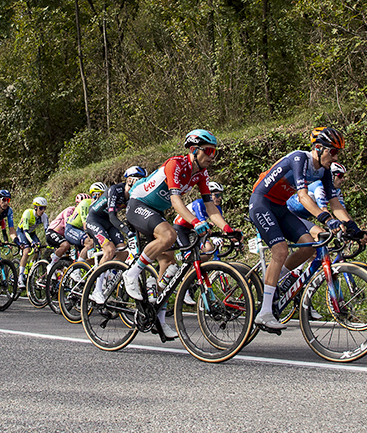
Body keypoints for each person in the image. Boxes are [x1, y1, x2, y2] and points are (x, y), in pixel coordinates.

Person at [122, 129, 240, 339]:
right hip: (138, 203)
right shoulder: (175, 164)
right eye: (209, 151)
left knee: (169, 264)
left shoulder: (201, 174)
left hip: (155, 211)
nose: (212, 157)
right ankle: (131, 275)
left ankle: (158, 317)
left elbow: (211, 207)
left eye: (215, 153)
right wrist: (195, 221)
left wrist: (228, 229)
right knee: (169, 235)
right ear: (194, 150)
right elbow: (176, 201)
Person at [247, 127, 346, 332]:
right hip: (261, 203)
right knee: (281, 250)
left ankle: (277, 282)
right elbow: (302, 197)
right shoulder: (300, 159)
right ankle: (264, 312)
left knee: (309, 247)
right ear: (318, 148)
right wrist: (326, 219)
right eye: (333, 152)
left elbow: (335, 202)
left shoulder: (324, 171)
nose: (335, 157)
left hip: (280, 207)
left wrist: (353, 227)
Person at [85, 168, 144, 304]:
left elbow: (131, 217)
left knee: (123, 252)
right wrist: (125, 230)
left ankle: (109, 276)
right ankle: (96, 290)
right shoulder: (115, 190)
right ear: (129, 181)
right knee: (109, 249)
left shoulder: (134, 196)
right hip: (95, 219)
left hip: (108, 222)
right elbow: (112, 216)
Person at [15, 196, 50, 288]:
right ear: (35, 207)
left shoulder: (44, 216)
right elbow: (25, 231)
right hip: (22, 231)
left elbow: (47, 231)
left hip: (32, 233)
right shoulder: (28, 213)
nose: (43, 211)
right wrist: (31, 242)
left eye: (44, 208)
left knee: (38, 249)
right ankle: (20, 277)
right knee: (26, 251)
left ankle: (31, 266)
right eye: (41, 208)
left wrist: (50, 242)